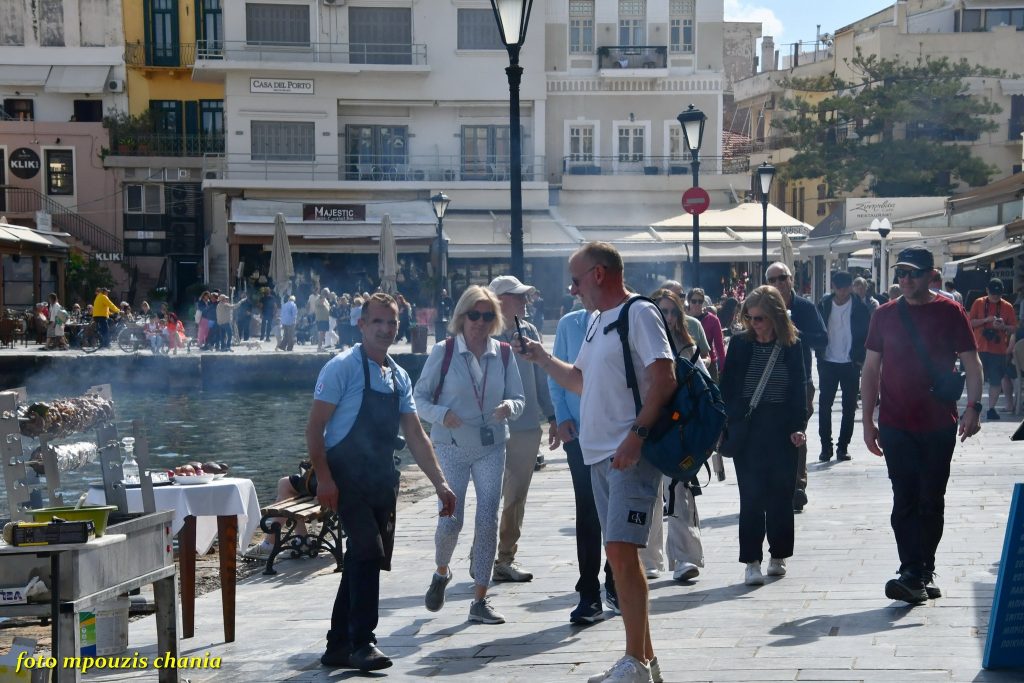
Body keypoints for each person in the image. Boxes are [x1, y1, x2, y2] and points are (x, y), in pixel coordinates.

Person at [516, 242, 677, 683]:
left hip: (630, 454)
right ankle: (646, 661)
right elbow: (580, 381)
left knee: (622, 554)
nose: (571, 288)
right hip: (599, 455)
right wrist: (542, 357)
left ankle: (635, 662)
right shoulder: (595, 322)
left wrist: (637, 436)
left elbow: (665, 376)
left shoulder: (639, 314)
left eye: (576, 279)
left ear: (600, 274)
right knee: (619, 555)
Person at [308, 293, 456, 671]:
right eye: (378, 322)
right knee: (368, 552)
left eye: (392, 323)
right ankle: (364, 642)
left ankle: (337, 645)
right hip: (344, 476)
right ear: (361, 324)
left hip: (380, 477)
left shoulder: (399, 375)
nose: (386, 329)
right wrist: (324, 479)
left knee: (363, 556)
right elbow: (314, 429)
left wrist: (440, 484)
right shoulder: (341, 368)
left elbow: (417, 435)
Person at [861, 247, 982, 603]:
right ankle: (910, 569)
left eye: (913, 273)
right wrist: (867, 420)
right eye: (901, 273)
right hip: (896, 422)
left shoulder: (951, 311)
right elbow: (870, 370)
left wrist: (973, 408)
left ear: (931, 275)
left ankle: (923, 567)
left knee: (932, 498)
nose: (906, 279)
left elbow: (972, 365)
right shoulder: (883, 315)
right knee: (904, 498)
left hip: (937, 423)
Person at [414, 285, 526, 625]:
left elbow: (519, 398)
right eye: (474, 315)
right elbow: (418, 398)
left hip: (492, 446)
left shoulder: (504, 353)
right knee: (452, 519)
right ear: (461, 317)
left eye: (488, 315)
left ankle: (480, 597)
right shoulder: (444, 352)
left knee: (488, 516)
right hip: (451, 446)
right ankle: (442, 570)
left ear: (496, 319)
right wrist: (440, 413)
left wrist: (510, 406)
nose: (480, 321)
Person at [720, 285, 808, 586]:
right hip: (749, 427)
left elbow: (799, 387)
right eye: (750, 317)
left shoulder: (792, 345)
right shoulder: (741, 344)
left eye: (760, 318)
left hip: (782, 426)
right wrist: (729, 420)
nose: (754, 323)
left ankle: (779, 554)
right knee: (752, 496)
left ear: (775, 316)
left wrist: (799, 426)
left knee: (781, 496)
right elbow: (727, 386)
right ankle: (751, 561)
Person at [550, 303, 618, 624]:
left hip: (617, 432)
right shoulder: (569, 324)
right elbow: (557, 378)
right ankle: (588, 592)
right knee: (588, 511)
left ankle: (615, 579)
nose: (576, 290)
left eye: (580, 281)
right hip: (579, 432)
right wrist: (561, 417)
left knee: (615, 511)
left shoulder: (627, 317)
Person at [487, 275, 557, 584]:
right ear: (500, 300)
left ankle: (505, 558)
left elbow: (542, 378)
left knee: (516, 496)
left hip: (527, 427)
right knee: (490, 497)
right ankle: (483, 556)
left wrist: (553, 415)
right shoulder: (482, 332)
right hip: (489, 427)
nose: (525, 302)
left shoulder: (529, 331)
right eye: (518, 297)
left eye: (525, 297)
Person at [648, 289, 706, 584]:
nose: (668, 317)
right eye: (662, 311)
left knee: (679, 493)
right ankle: (649, 558)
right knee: (648, 494)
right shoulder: (638, 343)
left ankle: (684, 558)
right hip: (647, 428)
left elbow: (705, 386)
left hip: (680, 431)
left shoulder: (687, 346)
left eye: (672, 311)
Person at [763, 262, 827, 513]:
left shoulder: (805, 308)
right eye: (773, 279)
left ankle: (797, 486)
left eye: (782, 278)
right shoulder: (761, 307)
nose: (778, 283)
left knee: (796, 432)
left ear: (791, 280)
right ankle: (774, 484)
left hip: (800, 381)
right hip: (767, 382)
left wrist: (796, 333)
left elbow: (822, 338)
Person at [817, 272, 870, 462]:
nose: (842, 291)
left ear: (851, 287)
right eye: (839, 288)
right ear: (833, 286)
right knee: (824, 406)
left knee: (849, 407)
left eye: (846, 287)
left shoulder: (860, 307)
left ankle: (842, 447)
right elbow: (817, 329)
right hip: (828, 361)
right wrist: (819, 352)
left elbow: (866, 333)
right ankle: (826, 447)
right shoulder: (823, 304)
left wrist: (860, 358)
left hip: (850, 362)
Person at [968, 278, 1017, 419]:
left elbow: (1013, 328)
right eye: (993, 293)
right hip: (979, 347)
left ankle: (991, 408)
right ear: (987, 290)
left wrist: (1003, 327)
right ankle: (971, 408)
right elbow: (970, 322)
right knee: (976, 379)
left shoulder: (1008, 306)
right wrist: (986, 320)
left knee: (996, 380)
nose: (996, 296)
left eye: (999, 294)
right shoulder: (979, 303)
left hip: (998, 349)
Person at [687, 288, 725, 383]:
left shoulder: (713, 320)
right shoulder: (682, 318)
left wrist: (724, 367)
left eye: (700, 301)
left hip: (709, 364)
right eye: (694, 301)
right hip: (688, 363)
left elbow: (719, 345)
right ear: (688, 301)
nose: (697, 304)